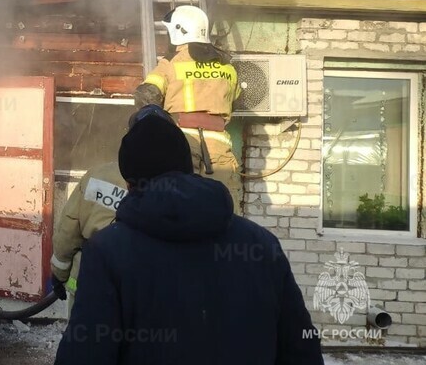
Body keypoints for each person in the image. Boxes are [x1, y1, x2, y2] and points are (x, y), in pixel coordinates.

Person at [54, 106, 323, 365]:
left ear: (128, 183)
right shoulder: (262, 245)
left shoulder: (107, 253)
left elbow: (85, 355)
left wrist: (59, 274)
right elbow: (302, 348)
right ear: (188, 169)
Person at [132, 5, 243, 213]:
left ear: (177, 30)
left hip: (181, 145)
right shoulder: (228, 66)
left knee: (176, 207)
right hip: (219, 148)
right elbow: (235, 99)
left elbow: (145, 96)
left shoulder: (170, 64)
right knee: (223, 209)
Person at [51, 159, 126, 311]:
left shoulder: (97, 174)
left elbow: (69, 229)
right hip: (136, 292)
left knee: (82, 332)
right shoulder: (168, 186)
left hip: (86, 280)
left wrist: (59, 274)